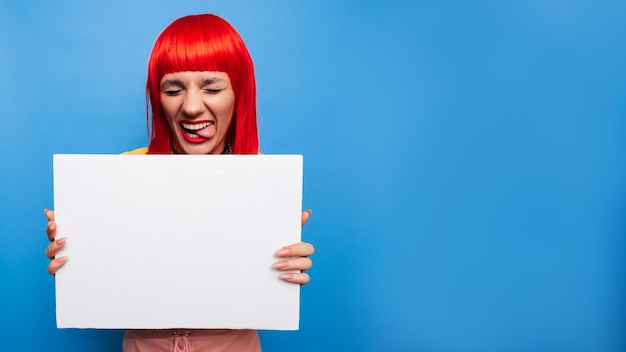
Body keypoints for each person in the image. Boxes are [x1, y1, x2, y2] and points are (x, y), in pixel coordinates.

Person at [44, 14, 314, 352]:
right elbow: (103, 275)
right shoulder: (123, 173)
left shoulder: (265, 182)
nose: (190, 106)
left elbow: (267, 279)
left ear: (238, 92)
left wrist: (288, 266)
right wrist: (75, 257)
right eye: (173, 90)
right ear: (159, 98)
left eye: (212, 88)